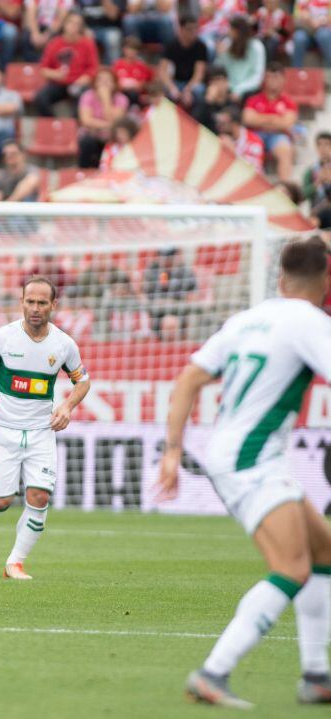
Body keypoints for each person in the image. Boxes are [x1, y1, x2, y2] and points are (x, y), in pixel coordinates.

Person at [158, 237, 331, 709]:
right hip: (250, 458)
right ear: (327, 282)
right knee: (292, 567)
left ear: (280, 279)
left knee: (323, 552)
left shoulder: (249, 318)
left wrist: (173, 451)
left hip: (237, 451)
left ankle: (317, 676)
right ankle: (214, 672)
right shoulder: (310, 322)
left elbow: (189, 378)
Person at [0, 276, 90, 580]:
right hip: (4, 430)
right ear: (21, 302)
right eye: (30, 302)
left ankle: (15, 562)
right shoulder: (3, 337)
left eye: (42, 303)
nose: (35, 308)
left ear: (53, 305)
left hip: (41, 432)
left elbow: (83, 381)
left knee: (39, 497)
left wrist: (66, 406)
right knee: (2, 500)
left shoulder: (63, 344)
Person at [35, 12, 100, 116]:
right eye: (71, 22)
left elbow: (93, 68)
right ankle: (52, 124)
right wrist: (56, 74)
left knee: (82, 100)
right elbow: (43, 69)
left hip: (79, 83)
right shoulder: (54, 43)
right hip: (59, 83)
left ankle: (76, 128)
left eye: (77, 24)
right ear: (64, 24)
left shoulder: (88, 44)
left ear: (81, 27)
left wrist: (84, 79)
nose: (73, 26)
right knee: (41, 97)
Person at [242, 63, 297, 180]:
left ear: (283, 80)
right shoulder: (253, 99)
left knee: (285, 150)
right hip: (256, 135)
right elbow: (248, 119)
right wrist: (275, 119)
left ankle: (285, 188)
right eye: (270, 76)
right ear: (264, 78)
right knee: (249, 146)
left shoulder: (289, 102)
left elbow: (287, 123)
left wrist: (260, 119)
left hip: (278, 136)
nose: (273, 81)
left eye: (276, 77)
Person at [77, 67, 129, 168]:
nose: (104, 83)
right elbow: (86, 121)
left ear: (114, 83)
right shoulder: (87, 96)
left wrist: (106, 99)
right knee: (86, 142)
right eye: (100, 79)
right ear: (95, 82)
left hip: (112, 138)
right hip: (93, 136)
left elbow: (116, 121)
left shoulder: (122, 99)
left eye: (108, 80)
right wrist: (108, 126)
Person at [161, 15, 208, 107]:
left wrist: (188, 89)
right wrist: (172, 88)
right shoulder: (171, 45)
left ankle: (195, 119)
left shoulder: (201, 47)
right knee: (163, 91)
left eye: (195, 29)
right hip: (175, 81)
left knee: (200, 91)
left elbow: (199, 73)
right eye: (190, 29)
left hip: (192, 82)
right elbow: (163, 70)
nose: (193, 32)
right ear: (181, 29)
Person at [218, 16, 266, 104]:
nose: (228, 32)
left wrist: (239, 90)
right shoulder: (227, 43)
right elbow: (221, 70)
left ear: (237, 32)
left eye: (231, 30)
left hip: (249, 90)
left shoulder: (256, 47)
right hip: (230, 88)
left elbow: (257, 76)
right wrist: (222, 55)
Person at [217, 105, 264, 171]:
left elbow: (254, 169)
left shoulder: (253, 141)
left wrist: (232, 150)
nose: (220, 127)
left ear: (235, 124)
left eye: (223, 123)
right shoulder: (221, 139)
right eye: (219, 123)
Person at [303, 132, 331, 230]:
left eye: (327, 144)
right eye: (320, 145)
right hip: (317, 216)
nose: (323, 148)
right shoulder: (311, 171)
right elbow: (302, 195)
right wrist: (317, 183)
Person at [292, 0, 331, 67]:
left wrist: (320, 22)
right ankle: (296, 70)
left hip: (323, 30)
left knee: (324, 35)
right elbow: (295, 19)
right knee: (299, 37)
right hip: (306, 30)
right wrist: (307, 20)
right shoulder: (301, 1)